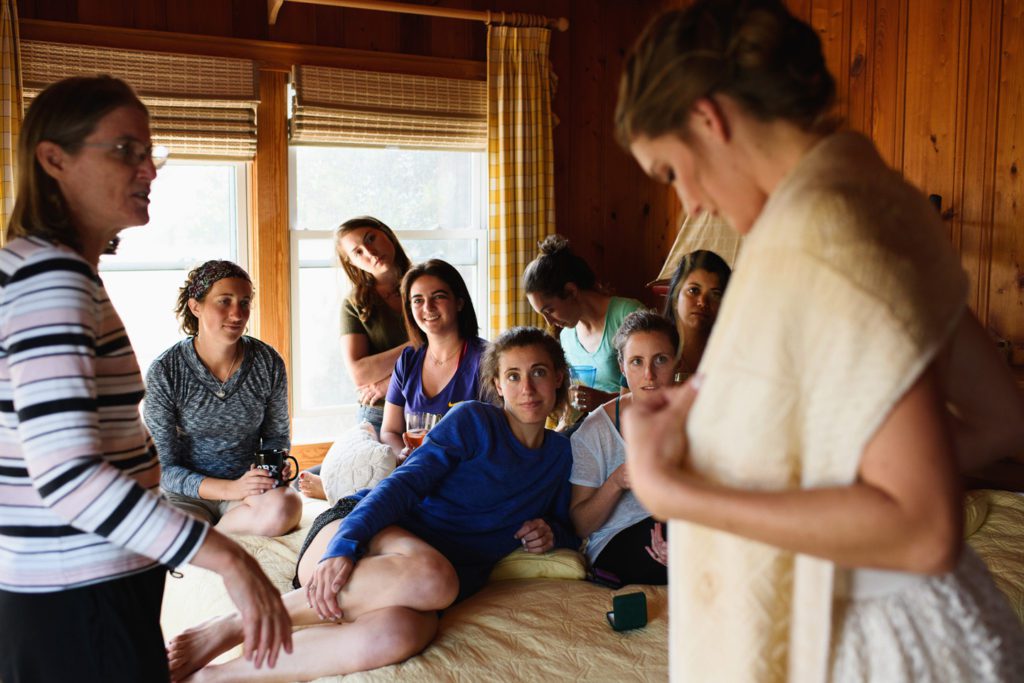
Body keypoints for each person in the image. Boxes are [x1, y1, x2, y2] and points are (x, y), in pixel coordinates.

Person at [615, 1, 1024, 680]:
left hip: (872, 640)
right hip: (928, 617)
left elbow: (921, 528)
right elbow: (1002, 419)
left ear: (708, 119)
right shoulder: (871, 204)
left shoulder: (827, 240)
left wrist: (673, 490)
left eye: (670, 171)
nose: (689, 202)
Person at [0, 76, 290, 683]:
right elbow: (66, 474)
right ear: (54, 160)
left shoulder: (35, 268)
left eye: (150, 151)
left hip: (77, 583)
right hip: (79, 592)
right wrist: (230, 562)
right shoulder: (52, 278)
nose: (148, 169)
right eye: (124, 150)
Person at [166, 326, 576, 681]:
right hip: (363, 531)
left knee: (399, 635)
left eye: (539, 372)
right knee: (436, 577)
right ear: (498, 384)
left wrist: (551, 531)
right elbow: (401, 486)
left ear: (558, 376)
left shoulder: (559, 455)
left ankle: (217, 677)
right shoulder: (474, 421)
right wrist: (345, 545)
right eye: (514, 375)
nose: (527, 387)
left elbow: (566, 523)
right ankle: (231, 626)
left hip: (421, 584)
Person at [298, 259, 488, 499]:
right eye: (417, 300)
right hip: (413, 471)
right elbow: (390, 430)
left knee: (368, 502)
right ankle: (339, 488)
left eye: (438, 296)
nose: (427, 307)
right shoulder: (408, 359)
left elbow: (497, 442)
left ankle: (335, 489)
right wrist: (403, 455)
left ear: (459, 302)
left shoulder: (486, 361)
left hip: (462, 477)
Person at [144, 260, 302, 536]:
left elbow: (277, 436)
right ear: (196, 306)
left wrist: (273, 467)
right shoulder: (166, 371)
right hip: (187, 495)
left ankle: (210, 536)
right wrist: (231, 488)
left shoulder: (268, 362)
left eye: (244, 302)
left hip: (248, 492)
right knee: (160, 528)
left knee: (287, 506)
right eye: (224, 301)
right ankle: (214, 533)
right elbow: (164, 469)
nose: (237, 313)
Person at [570, 310, 679, 585]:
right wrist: (617, 481)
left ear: (676, 361)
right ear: (621, 366)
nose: (649, 375)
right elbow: (581, 525)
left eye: (660, 360)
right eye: (637, 362)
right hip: (615, 542)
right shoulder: (595, 431)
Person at [524, 234, 643, 417]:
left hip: (631, 429)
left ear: (571, 291)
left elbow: (655, 389)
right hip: (591, 432)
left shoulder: (627, 315)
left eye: (550, 310)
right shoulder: (567, 337)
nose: (549, 322)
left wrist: (603, 401)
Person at [336, 216, 413, 433]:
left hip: (432, 405)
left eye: (371, 239)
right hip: (379, 411)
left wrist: (389, 383)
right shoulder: (354, 304)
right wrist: (418, 345)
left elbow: (455, 348)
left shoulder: (427, 284)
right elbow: (360, 373)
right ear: (351, 262)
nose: (370, 252)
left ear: (387, 234)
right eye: (358, 252)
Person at [663, 249, 731, 380]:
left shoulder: (731, 352)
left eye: (715, 294)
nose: (703, 302)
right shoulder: (649, 346)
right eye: (693, 290)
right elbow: (632, 400)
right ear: (675, 298)